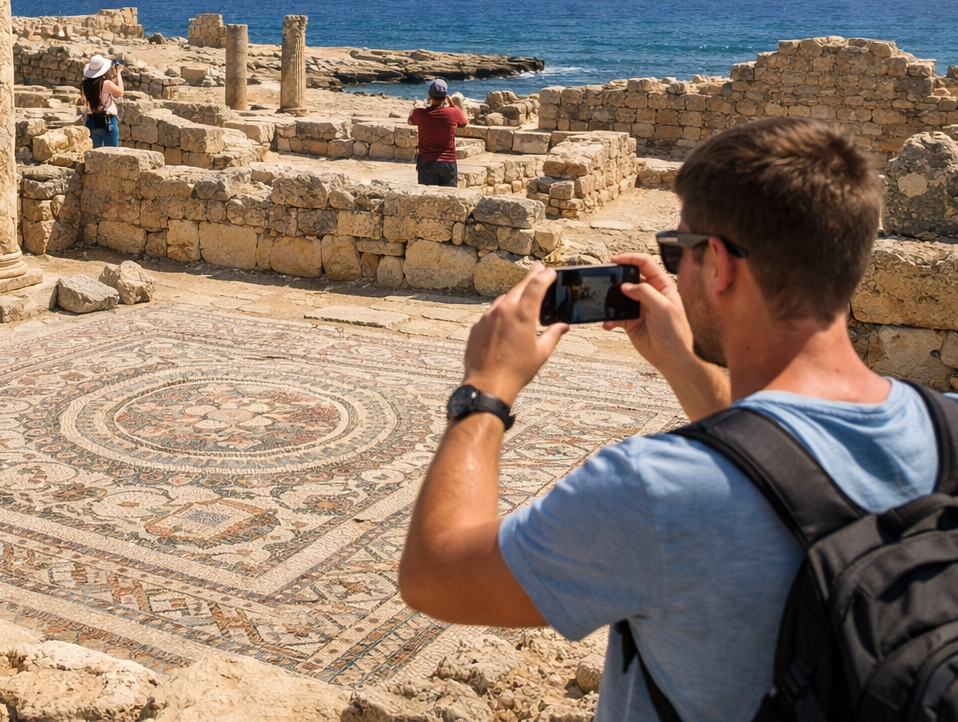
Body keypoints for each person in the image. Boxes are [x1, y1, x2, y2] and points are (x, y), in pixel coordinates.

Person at [397, 117, 936, 720]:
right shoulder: (948, 427)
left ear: (722, 266)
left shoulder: (654, 490)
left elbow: (435, 574)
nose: (673, 270)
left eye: (676, 251)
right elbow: (782, 465)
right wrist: (683, 362)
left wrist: (486, 388)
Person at [407, 79, 468, 186]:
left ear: (429, 95)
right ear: (445, 96)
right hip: (448, 163)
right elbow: (463, 122)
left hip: (426, 162)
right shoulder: (454, 112)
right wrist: (452, 105)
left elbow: (410, 120)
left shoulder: (420, 113)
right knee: (449, 198)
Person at [81, 53, 124, 148]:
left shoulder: (85, 85)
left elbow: (84, 99)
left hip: (91, 119)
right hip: (107, 121)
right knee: (112, 153)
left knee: (95, 153)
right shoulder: (106, 83)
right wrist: (119, 74)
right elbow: (120, 91)